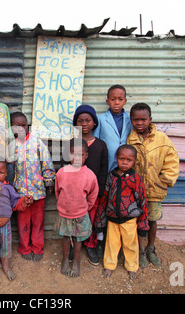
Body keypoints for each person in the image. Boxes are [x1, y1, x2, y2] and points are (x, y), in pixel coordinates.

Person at [127, 103, 179, 267]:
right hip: (136, 192)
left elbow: (171, 159)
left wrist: (165, 178)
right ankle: (140, 251)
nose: (140, 123)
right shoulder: (131, 139)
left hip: (155, 190)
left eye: (143, 119)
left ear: (150, 119)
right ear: (131, 120)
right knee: (138, 221)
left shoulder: (161, 139)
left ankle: (151, 248)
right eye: (136, 120)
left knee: (152, 220)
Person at [95, 145, 149, 279]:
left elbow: (142, 200)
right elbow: (105, 198)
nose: (125, 162)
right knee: (111, 244)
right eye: (121, 159)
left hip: (129, 220)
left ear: (134, 161)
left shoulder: (135, 178)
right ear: (116, 159)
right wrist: (100, 220)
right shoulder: (111, 176)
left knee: (130, 244)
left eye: (129, 160)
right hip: (112, 219)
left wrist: (143, 225)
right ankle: (109, 265)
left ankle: (132, 267)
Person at [11, 112, 56, 262]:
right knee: (23, 221)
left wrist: (49, 180)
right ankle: (25, 247)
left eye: (23, 125)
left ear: (28, 126)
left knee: (38, 221)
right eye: (17, 125)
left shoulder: (37, 142)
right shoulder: (11, 145)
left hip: (37, 189)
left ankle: (37, 247)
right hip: (20, 192)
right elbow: (8, 167)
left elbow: (46, 162)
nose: (21, 128)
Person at [54, 138, 99, 277]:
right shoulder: (61, 173)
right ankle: (65, 260)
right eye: (74, 154)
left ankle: (77, 262)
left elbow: (93, 195)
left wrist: (85, 208)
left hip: (80, 214)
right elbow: (57, 192)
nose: (77, 158)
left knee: (78, 239)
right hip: (65, 213)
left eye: (81, 155)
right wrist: (64, 204)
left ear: (86, 155)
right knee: (66, 237)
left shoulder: (90, 175)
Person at [73, 105, 108, 265]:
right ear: (76, 124)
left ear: (94, 123)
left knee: (91, 220)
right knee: (74, 220)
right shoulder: (71, 144)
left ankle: (89, 245)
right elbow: (65, 168)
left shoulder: (101, 145)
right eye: (80, 121)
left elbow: (103, 170)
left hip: (93, 193)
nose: (84, 123)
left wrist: (99, 191)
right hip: (75, 193)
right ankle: (74, 245)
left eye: (88, 120)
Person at [93, 84, 133, 172]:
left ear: (125, 101)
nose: (117, 102)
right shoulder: (100, 119)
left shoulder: (130, 120)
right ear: (107, 101)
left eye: (120, 99)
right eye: (113, 99)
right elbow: (95, 141)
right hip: (107, 162)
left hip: (125, 164)